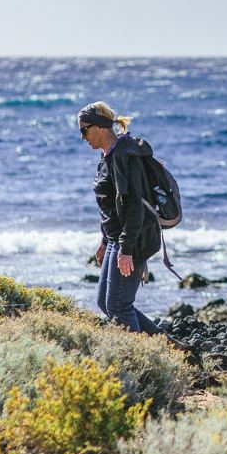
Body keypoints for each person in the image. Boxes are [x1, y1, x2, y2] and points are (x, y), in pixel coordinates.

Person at [79, 101, 161, 334]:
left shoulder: (124, 156)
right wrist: (105, 241)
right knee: (106, 304)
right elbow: (111, 208)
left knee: (119, 306)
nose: (83, 137)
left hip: (132, 238)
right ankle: (168, 348)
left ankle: (144, 360)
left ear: (101, 127)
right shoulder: (107, 158)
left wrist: (126, 249)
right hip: (117, 238)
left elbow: (134, 206)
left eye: (84, 130)